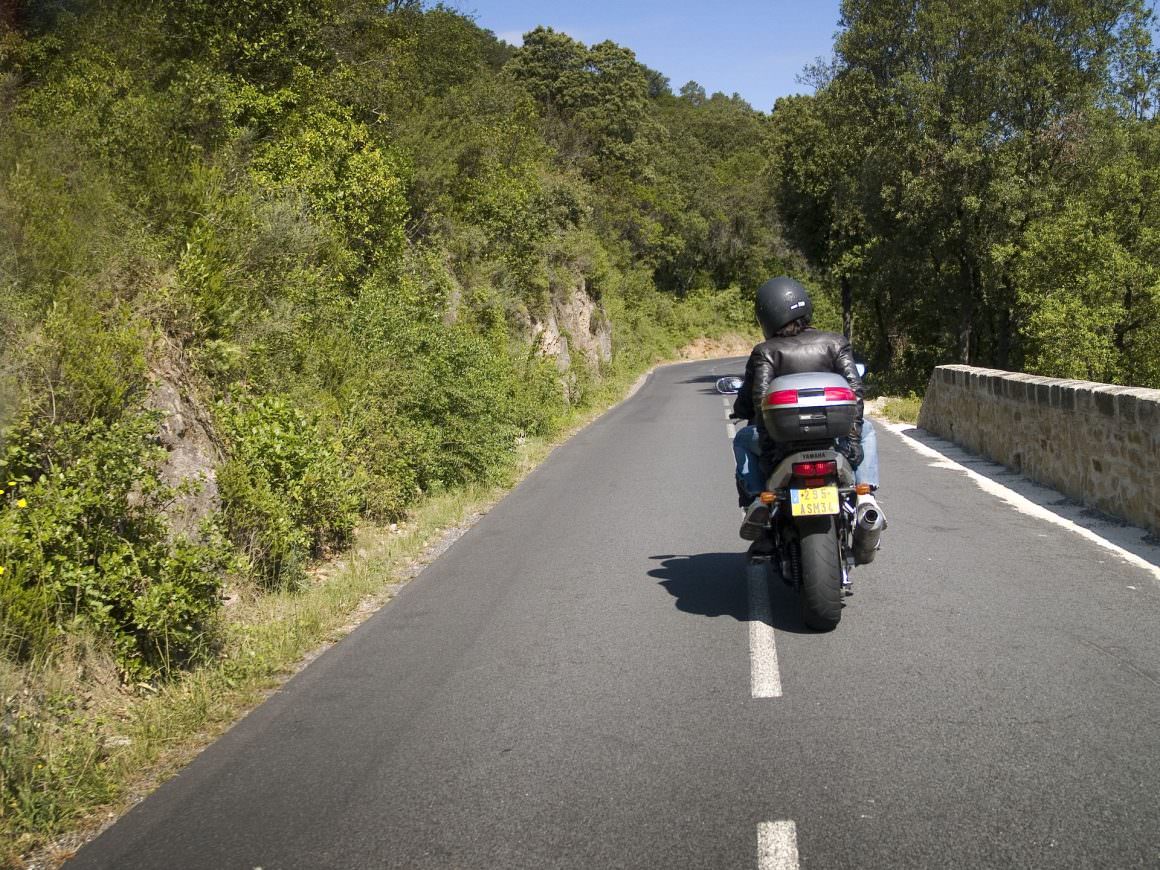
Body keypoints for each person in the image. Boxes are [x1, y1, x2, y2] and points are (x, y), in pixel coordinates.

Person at [731, 275, 879, 518]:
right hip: (833, 437)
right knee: (869, 431)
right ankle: (865, 497)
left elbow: (757, 400)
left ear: (767, 317)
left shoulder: (765, 352)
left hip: (782, 443)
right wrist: (852, 442)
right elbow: (856, 392)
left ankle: (758, 499)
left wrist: (769, 452)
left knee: (741, 439)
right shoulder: (835, 342)